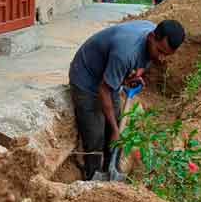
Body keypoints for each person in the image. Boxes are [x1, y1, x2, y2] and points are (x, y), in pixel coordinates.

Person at [68, 20, 185, 180]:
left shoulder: (154, 39)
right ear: (151, 37)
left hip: (106, 77)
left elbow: (143, 61)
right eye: (160, 51)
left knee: (114, 126)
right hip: (86, 77)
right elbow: (103, 90)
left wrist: (134, 75)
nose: (162, 58)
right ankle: (92, 177)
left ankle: (111, 169)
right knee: (96, 135)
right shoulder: (125, 53)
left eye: (166, 55)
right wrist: (116, 131)